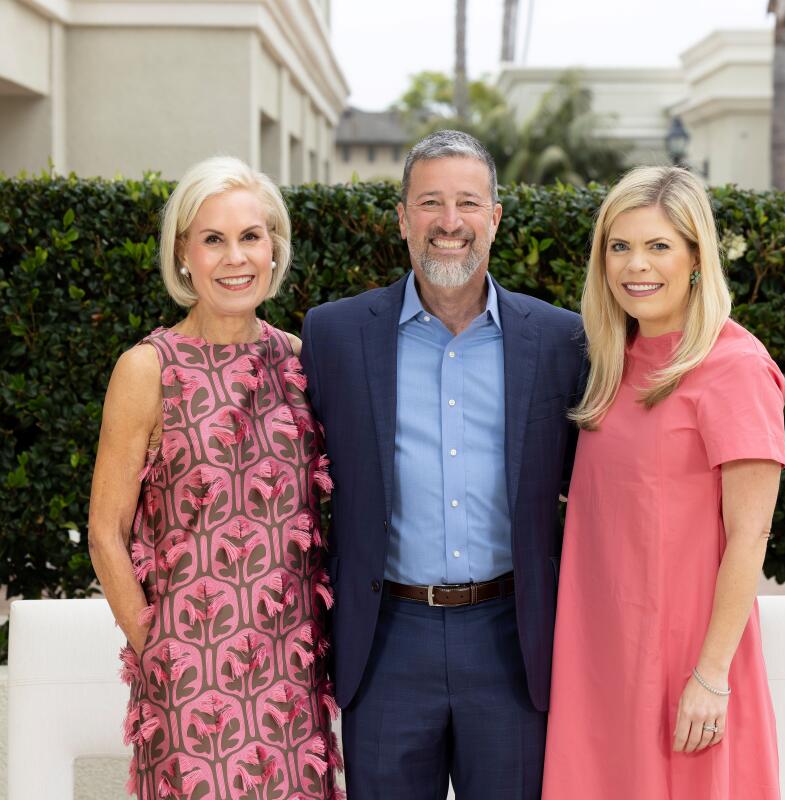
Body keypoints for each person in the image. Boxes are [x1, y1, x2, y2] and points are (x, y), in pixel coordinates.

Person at [300, 130, 585, 799]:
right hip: (386, 640)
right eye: (430, 203)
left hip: (511, 641)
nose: (449, 222)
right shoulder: (334, 334)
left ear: (495, 217)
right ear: (402, 218)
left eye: (467, 202)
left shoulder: (560, 339)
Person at [88, 156, 340, 800]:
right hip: (187, 672)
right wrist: (153, 643)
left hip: (291, 673)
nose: (236, 258)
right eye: (213, 239)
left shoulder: (302, 362)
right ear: (183, 255)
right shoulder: (147, 370)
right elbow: (105, 532)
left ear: (274, 248)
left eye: (251, 237)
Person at [542, 166, 785, 799]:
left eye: (658, 246)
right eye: (619, 246)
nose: (635, 266)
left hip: (685, 662)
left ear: (696, 257)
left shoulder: (735, 367)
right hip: (599, 656)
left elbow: (750, 535)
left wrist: (710, 675)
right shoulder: (608, 362)